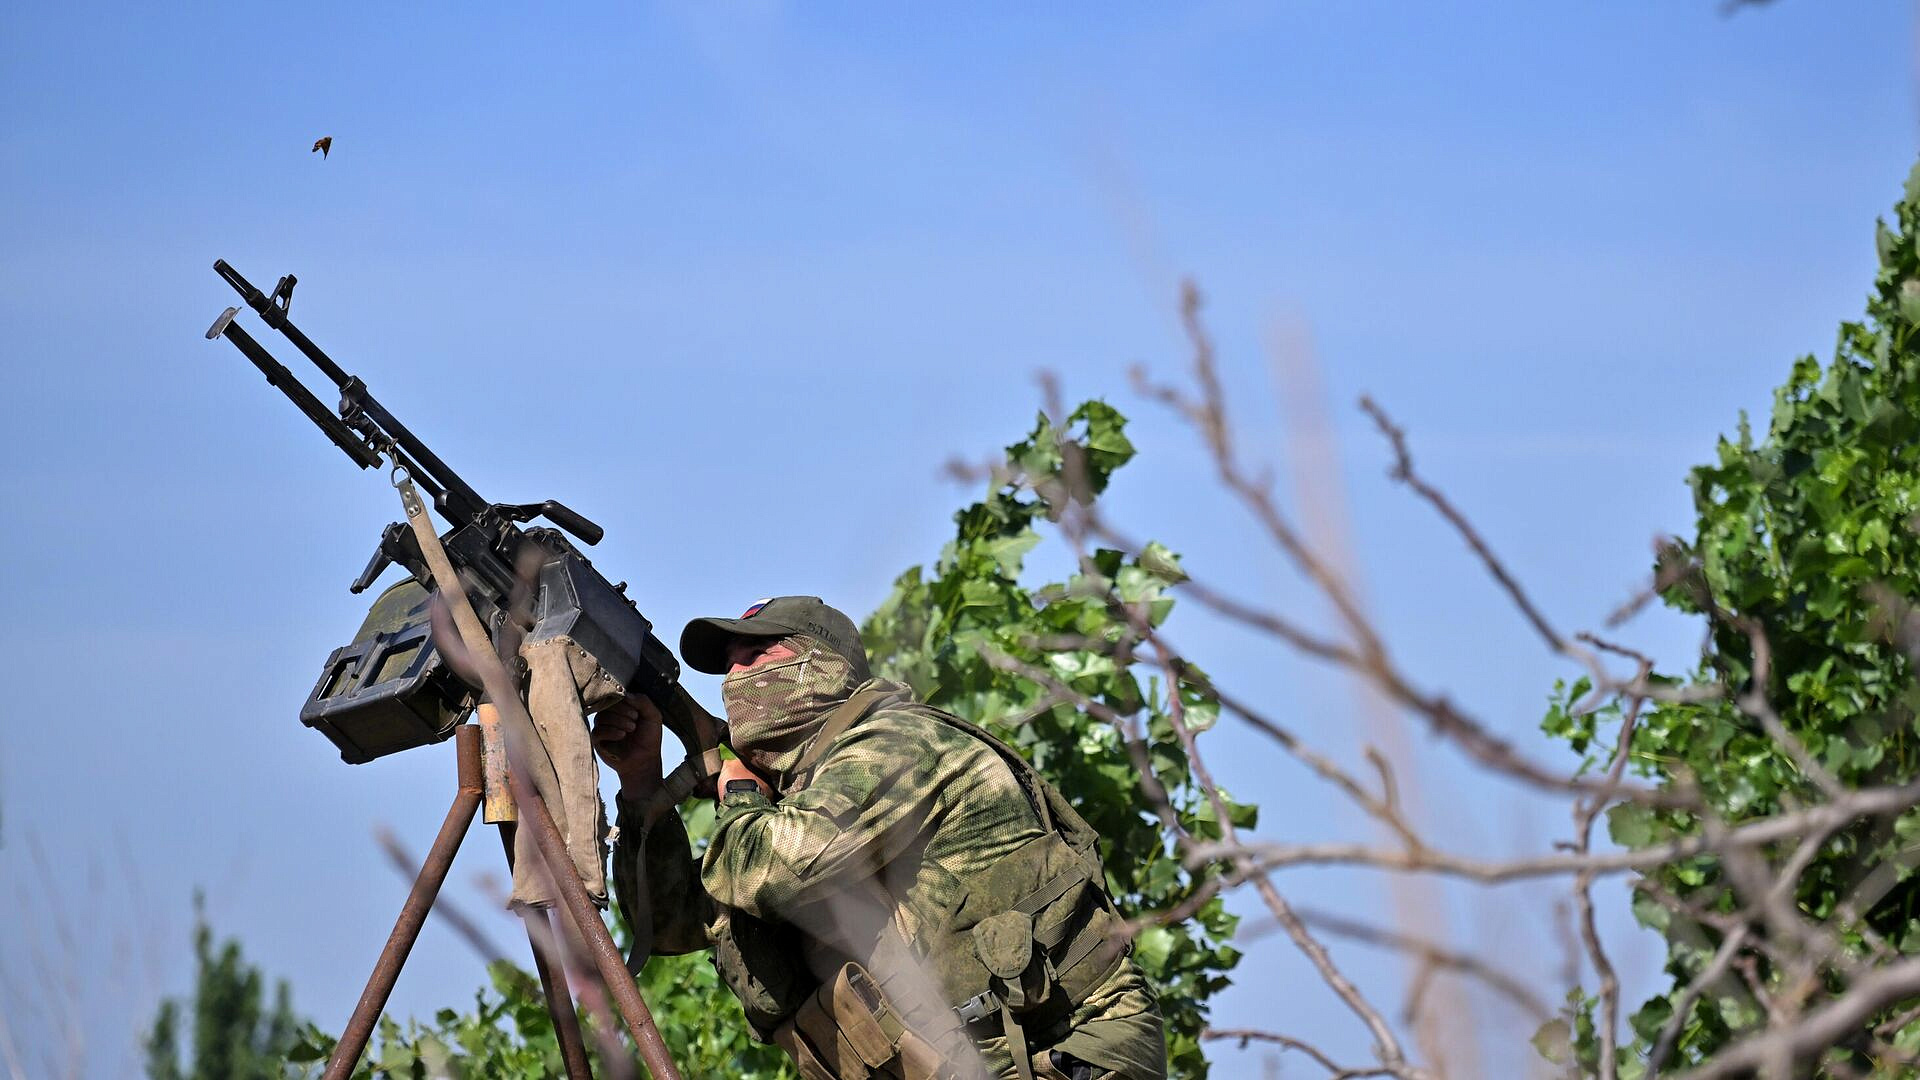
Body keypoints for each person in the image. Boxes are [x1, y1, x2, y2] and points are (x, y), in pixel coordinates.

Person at [593, 596, 1167, 1080]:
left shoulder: (897, 742)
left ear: (825, 665)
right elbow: (667, 925)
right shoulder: (800, 796)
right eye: (729, 665)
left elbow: (772, 871)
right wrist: (642, 782)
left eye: (758, 652)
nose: (737, 674)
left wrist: (738, 795)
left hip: (1068, 1052)